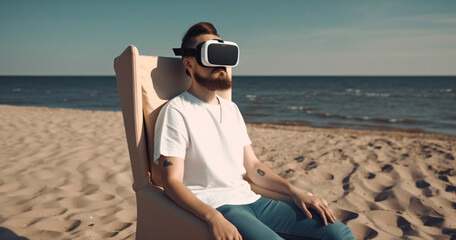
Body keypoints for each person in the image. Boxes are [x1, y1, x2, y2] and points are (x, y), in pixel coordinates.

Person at [154, 22, 355, 240]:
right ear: (189, 63)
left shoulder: (231, 109)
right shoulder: (176, 111)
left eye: (222, 53)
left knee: (340, 234)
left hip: (252, 200)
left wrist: (296, 192)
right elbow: (171, 182)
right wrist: (213, 218)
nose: (219, 63)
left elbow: (254, 167)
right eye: (209, 54)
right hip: (219, 207)